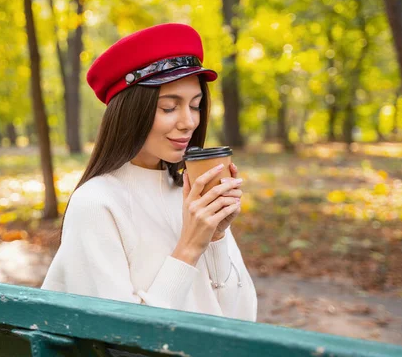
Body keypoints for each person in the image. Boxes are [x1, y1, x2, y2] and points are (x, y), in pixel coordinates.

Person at [42, 23, 257, 321]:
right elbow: (119, 337)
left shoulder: (192, 191)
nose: (188, 122)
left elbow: (243, 316)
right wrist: (190, 246)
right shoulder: (96, 203)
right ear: (131, 112)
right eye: (169, 108)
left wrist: (217, 237)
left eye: (195, 106)